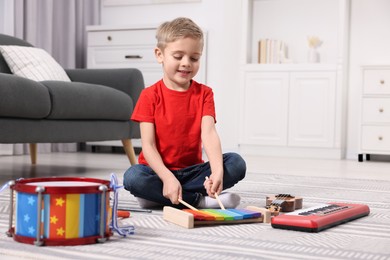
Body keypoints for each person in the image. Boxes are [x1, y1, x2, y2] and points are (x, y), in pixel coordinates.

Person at [123, 17, 246, 209]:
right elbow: (148, 145)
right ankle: (198, 200)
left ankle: (159, 196)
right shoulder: (149, 95)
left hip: (193, 171)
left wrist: (216, 172)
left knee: (236, 163)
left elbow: (209, 134)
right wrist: (167, 178)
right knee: (133, 178)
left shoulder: (205, 93)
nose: (186, 63)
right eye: (178, 56)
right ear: (160, 54)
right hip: (157, 171)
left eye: (194, 58)